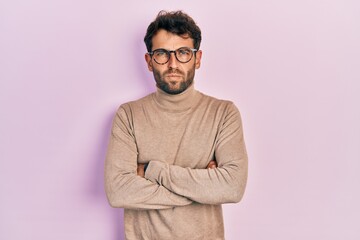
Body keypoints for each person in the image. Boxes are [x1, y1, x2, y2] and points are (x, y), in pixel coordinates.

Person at [105, 10, 248, 240]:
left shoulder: (223, 114)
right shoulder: (128, 115)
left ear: (197, 58)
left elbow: (232, 187)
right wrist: (202, 189)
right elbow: (117, 191)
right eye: (162, 53)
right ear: (149, 61)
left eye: (183, 52)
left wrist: (152, 171)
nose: (173, 63)